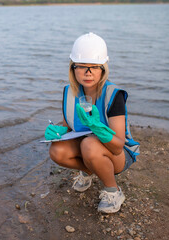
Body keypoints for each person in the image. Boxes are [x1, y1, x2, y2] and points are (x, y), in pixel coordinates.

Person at [45, 32, 140, 214]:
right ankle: (89, 171)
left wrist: (98, 127)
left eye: (94, 67)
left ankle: (113, 191)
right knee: (56, 150)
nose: (88, 73)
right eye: (82, 67)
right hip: (89, 148)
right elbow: (68, 123)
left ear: (103, 69)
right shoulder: (70, 92)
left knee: (89, 144)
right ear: (73, 68)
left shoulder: (114, 95)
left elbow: (118, 146)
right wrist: (57, 130)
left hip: (119, 154)